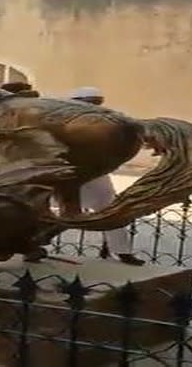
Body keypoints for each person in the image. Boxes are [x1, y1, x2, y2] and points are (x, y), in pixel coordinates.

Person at [69, 86, 145, 266]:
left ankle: (120, 250)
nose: (94, 106)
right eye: (90, 102)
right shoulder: (64, 120)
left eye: (96, 102)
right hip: (66, 172)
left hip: (95, 173)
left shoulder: (107, 121)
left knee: (111, 209)